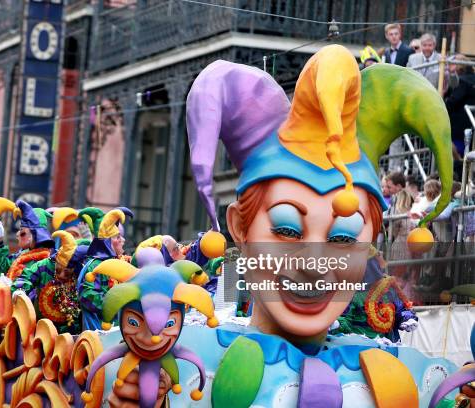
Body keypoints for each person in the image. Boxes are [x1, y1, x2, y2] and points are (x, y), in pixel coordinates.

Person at [106, 45, 468, 407]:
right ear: (239, 228)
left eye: (342, 238)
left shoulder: (405, 380)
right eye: (288, 230)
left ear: (370, 242)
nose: (313, 264)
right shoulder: (181, 367)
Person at [12, 231, 88, 334]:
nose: (61, 275)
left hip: (72, 331)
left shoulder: (82, 273)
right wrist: (20, 290)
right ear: (56, 260)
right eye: (59, 270)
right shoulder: (44, 265)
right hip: (42, 330)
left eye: (67, 273)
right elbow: (26, 277)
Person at [77, 206, 133, 330]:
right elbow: (86, 293)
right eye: (118, 237)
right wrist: (114, 305)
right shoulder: (95, 265)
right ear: (107, 242)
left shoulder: (124, 263)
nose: (122, 240)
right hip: (100, 331)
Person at [0, 200, 54, 280]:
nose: (17, 234)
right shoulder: (20, 256)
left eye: (22, 232)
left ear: (34, 236)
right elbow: (0, 268)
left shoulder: (49, 261)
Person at [445, 54, 475, 160]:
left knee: (457, 152)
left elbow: (453, 100)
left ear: (459, 65)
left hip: (460, 125)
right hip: (469, 123)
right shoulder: (470, 78)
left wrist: (442, 105)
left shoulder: (463, 81)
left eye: (452, 64)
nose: (448, 66)